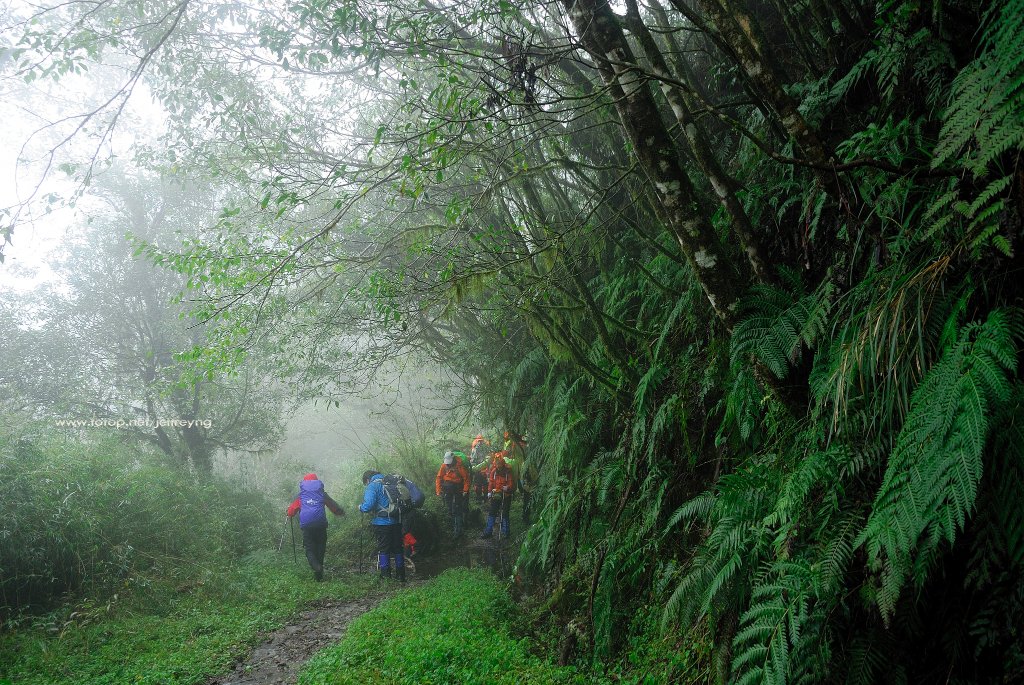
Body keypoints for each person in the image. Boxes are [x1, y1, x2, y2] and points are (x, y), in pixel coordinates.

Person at [359, 469, 417, 582]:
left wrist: (360, 507)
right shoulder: (391, 481)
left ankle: (386, 576)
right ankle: (401, 575)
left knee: (384, 548)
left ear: (367, 480)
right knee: (398, 547)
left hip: (382, 523)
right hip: (397, 521)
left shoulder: (373, 486)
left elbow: (368, 506)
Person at [285, 473, 345, 581]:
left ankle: (317, 567)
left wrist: (288, 512)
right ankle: (319, 576)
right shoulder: (321, 493)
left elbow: (291, 511)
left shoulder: (301, 495)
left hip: (307, 527)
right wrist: (340, 512)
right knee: (320, 548)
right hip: (320, 525)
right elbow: (333, 506)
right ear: (317, 482)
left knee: (310, 549)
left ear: (304, 483)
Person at [435, 450, 470, 538]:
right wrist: (438, 490)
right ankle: (454, 526)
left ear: (453, 459)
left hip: (458, 490)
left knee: (457, 509)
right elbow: (439, 478)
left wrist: (465, 490)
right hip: (447, 490)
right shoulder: (444, 466)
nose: (448, 464)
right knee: (450, 509)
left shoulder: (459, 466)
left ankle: (458, 531)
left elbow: (466, 479)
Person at [480, 455, 516, 539]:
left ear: (503, 465)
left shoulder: (508, 472)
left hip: (506, 495)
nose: (498, 468)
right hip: (496, 494)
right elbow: (491, 482)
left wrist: (508, 487)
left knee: (505, 513)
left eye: (500, 466)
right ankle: (488, 531)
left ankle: (506, 532)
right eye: (497, 466)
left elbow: (511, 483)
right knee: (492, 512)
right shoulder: (494, 471)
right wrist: (489, 492)